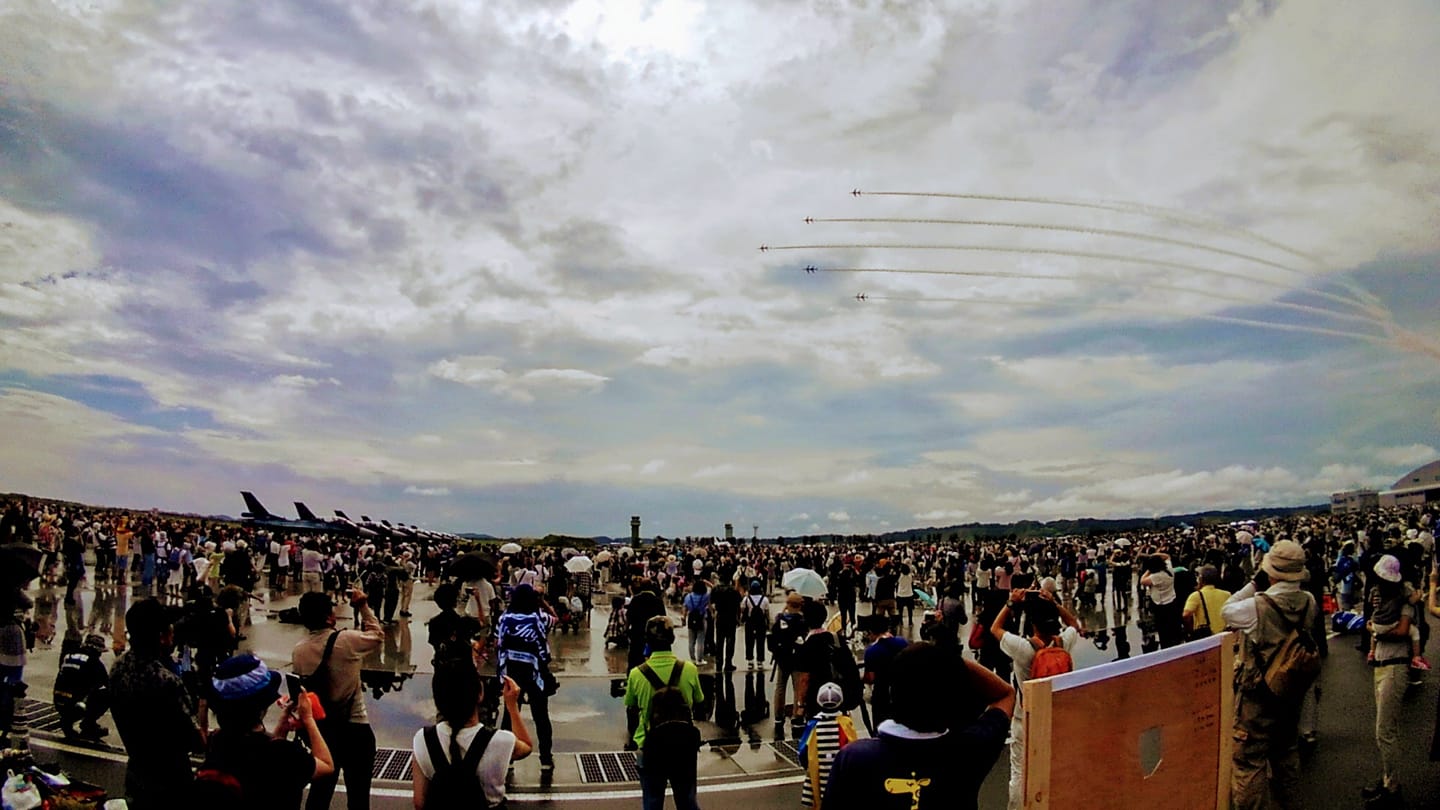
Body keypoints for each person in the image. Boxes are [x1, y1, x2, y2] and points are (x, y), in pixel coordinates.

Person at [823, 642, 1014, 810]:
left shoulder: (854, 758)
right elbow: (1005, 694)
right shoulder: (969, 750)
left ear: (892, 694)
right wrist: (949, 662)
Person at [1221, 540, 1318, 810]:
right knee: (1286, 755)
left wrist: (1254, 584)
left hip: (1257, 695)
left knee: (1248, 762)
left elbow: (1227, 610)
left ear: (1271, 571)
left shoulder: (1257, 607)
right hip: (1289, 690)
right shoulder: (1309, 601)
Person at [195, 653, 333, 809]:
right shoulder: (283, 754)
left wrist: (281, 728)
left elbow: (258, 752)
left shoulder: (217, 741)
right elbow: (326, 766)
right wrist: (308, 718)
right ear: (262, 707)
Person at [292, 588, 384, 810]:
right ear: (329, 617)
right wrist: (363, 606)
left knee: (320, 794)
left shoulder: (299, 651)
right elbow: (377, 636)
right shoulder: (347, 640)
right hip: (355, 727)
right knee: (359, 796)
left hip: (323, 730)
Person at [992, 588, 1082, 810]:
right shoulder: (1064, 643)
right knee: (1053, 766)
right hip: (1055, 715)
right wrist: (1054, 603)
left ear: (1032, 623)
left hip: (1025, 717)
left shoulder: (1024, 648)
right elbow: (1074, 624)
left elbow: (995, 628)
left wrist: (1011, 603)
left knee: (1020, 771)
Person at [110, 598, 203, 808]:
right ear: (162, 637)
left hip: (136, 772)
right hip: (171, 780)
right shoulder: (167, 681)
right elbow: (196, 741)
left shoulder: (118, 668)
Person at [412, 662, 531, 809]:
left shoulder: (423, 739)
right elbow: (527, 746)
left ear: (437, 699)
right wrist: (512, 705)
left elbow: (419, 802)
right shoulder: (500, 741)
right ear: (480, 694)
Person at [624, 616, 704, 810]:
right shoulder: (689, 670)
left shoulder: (637, 673)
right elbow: (699, 701)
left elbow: (631, 705)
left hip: (650, 744)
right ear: (672, 639)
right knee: (687, 799)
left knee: (652, 800)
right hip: (683, 745)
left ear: (647, 641)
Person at [1362, 554, 1416, 806]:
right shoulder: (1385, 602)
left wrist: (1374, 630)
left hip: (1395, 666)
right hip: (1384, 665)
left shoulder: (1404, 602)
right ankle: (1387, 779)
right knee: (1384, 730)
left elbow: (1403, 631)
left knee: (1385, 731)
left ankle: (1392, 786)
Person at [495, 583, 557, 771]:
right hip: (534, 672)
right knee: (541, 716)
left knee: (510, 714)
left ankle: (509, 756)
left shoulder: (504, 618)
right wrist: (542, 602)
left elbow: (498, 643)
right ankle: (545, 758)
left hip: (511, 673)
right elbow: (555, 619)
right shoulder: (538, 618)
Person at [798, 682, 858, 810]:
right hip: (842, 777)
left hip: (819, 775)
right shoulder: (846, 723)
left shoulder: (813, 725)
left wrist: (806, 766)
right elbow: (854, 749)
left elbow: (803, 751)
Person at [53, 632, 110, 740]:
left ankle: (67, 721)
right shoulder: (94, 662)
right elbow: (106, 684)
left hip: (58, 700)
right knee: (106, 694)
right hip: (75, 706)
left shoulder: (69, 654)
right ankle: (88, 724)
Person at [769, 593, 807, 740]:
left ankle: (778, 716)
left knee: (780, 687)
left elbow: (773, 636)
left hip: (782, 658)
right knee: (798, 688)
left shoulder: (780, 620)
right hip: (797, 659)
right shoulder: (802, 621)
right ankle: (796, 716)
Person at [860, 615, 908, 729]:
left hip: (882, 695)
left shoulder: (872, 651)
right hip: (903, 691)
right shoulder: (902, 642)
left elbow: (871, 678)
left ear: (871, 631)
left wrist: (860, 678)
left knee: (881, 728)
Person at [1182, 565, 1230, 639]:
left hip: (1205, 637)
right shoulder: (1227, 594)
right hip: (1224, 635)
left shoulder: (1196, 596)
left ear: (1201, 579)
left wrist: (1190, 630)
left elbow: (1186, 615)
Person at [710, 578, 741, 672]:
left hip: (720, 617)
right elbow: (738, 606)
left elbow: (711, 602)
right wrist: (738, 618)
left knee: (719, 641)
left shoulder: (715, 590)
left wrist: (713, 612)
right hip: (731, 617)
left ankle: (719, 663)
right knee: (730, 641)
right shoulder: (734, 591)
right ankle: (728, 663)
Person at [741, 580, 769, 670]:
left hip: (750, 622)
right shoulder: (764, 599)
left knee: (749, 641)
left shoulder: (747, 599)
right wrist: (767, 622)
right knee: (760, 642)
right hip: (760, 623)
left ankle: (750, 661)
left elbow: (742, 609)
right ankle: (760, 661)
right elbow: (767, 612)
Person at [682, 580, 711, 665]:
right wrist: (706, 582)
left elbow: (684, 608)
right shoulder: (705, 596)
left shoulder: (688, 596)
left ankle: (693, 659)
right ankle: (700, 659)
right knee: (701, 641)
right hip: (701, 619)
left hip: (691, 618)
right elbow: (713, 588)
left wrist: (683, 618)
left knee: (691, 641)